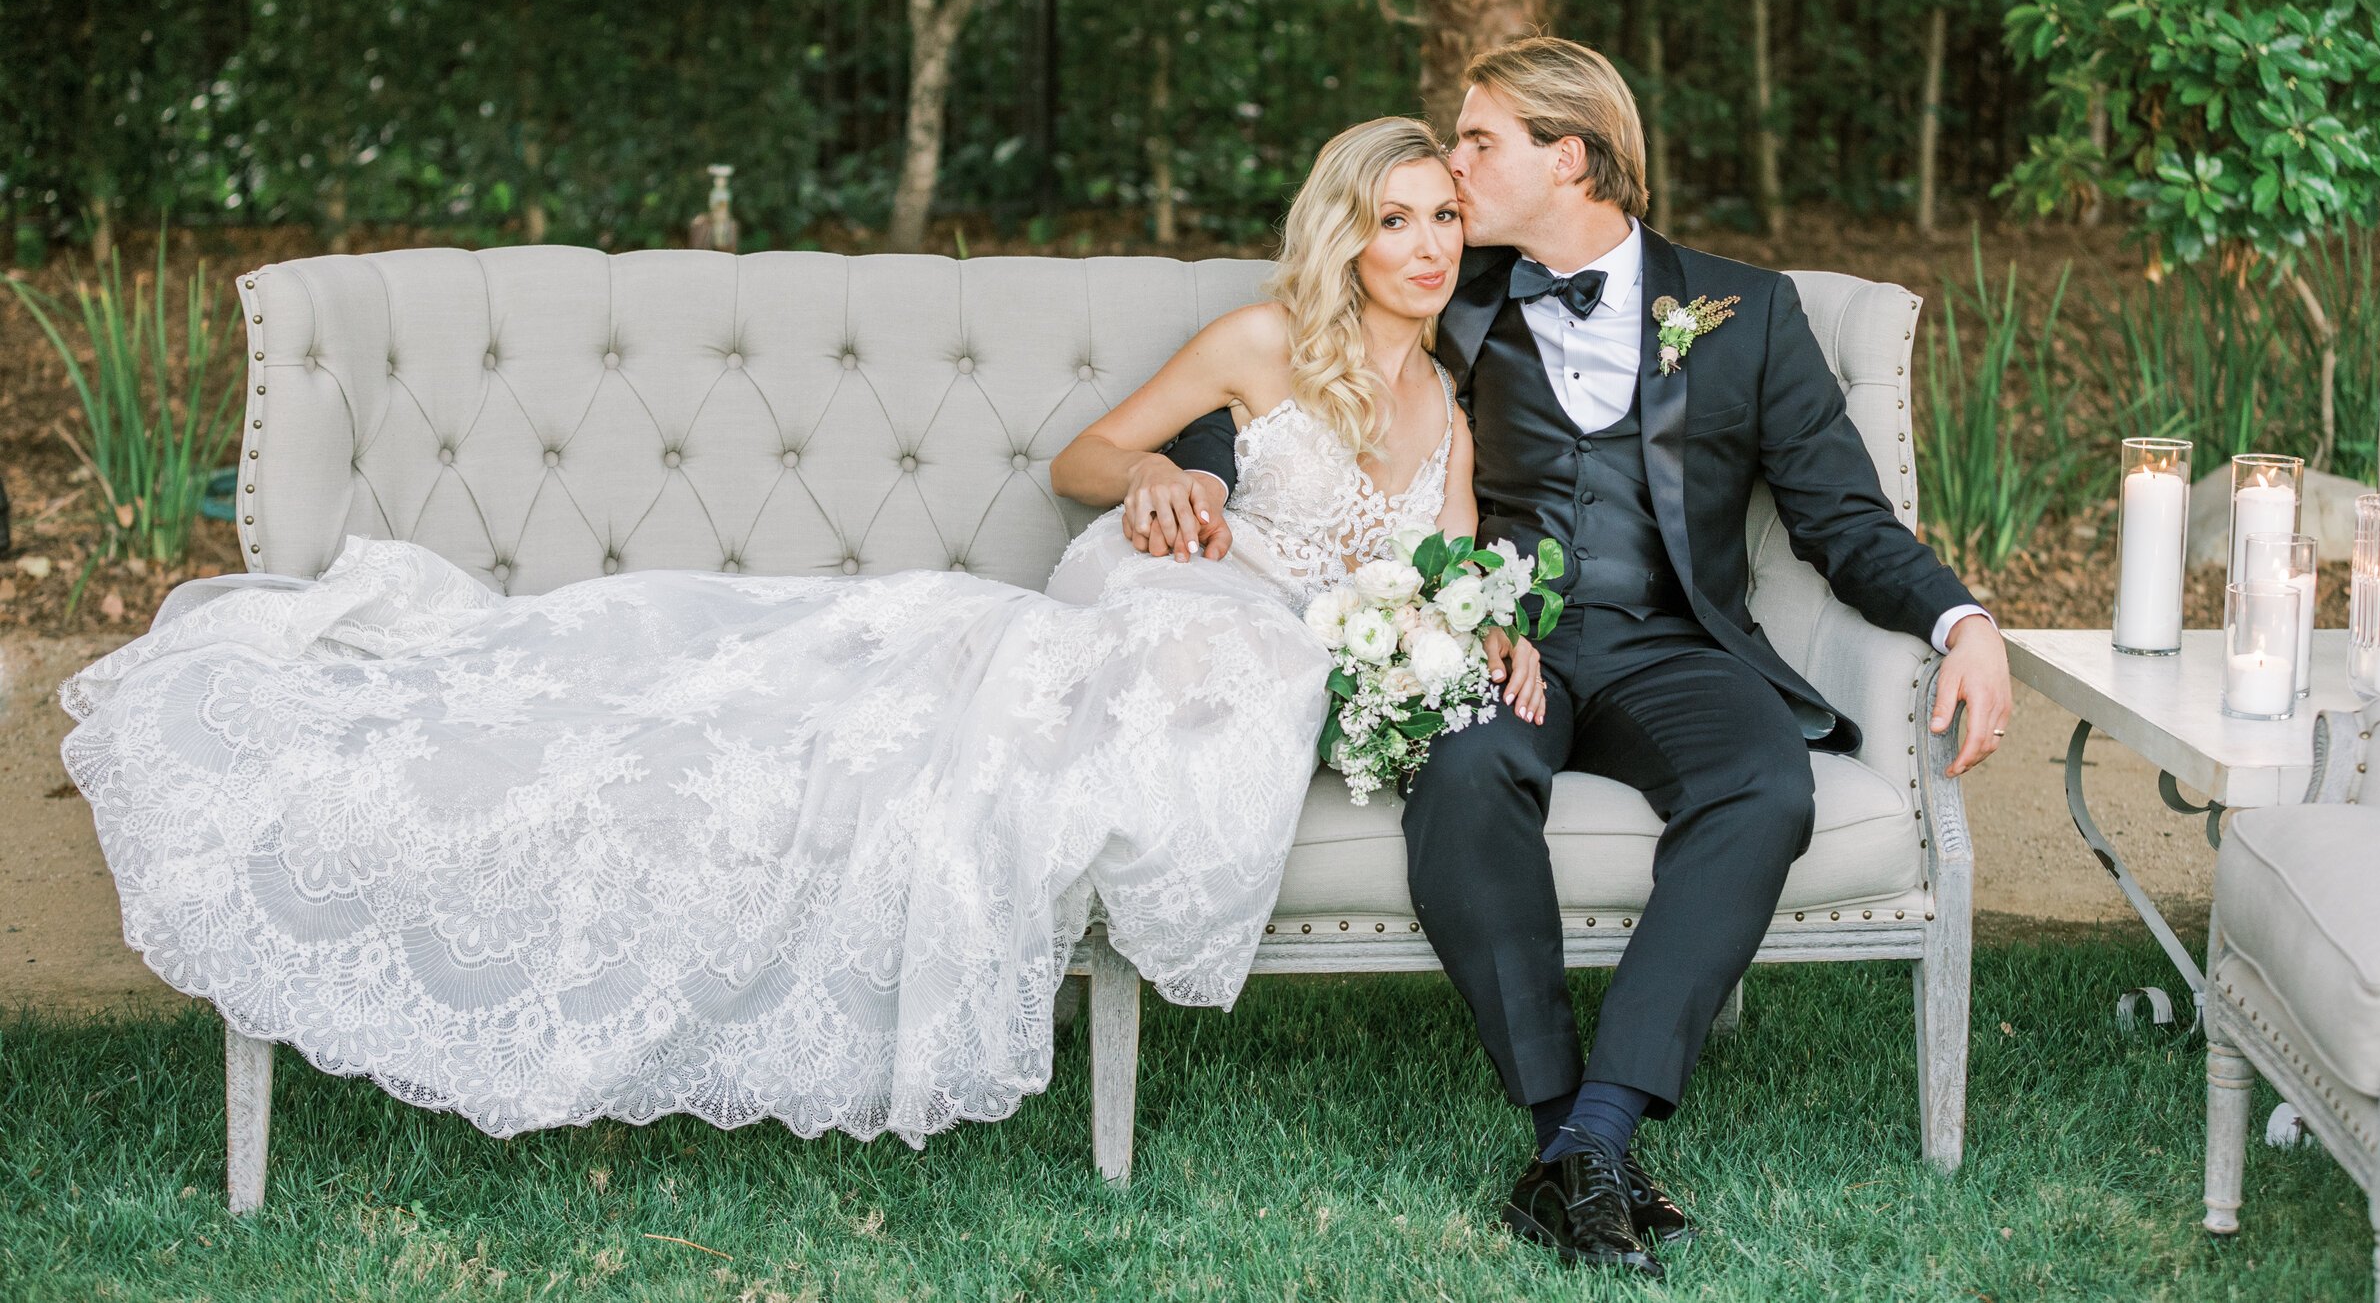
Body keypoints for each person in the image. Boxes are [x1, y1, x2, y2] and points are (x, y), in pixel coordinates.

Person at [57, 117, 1542, 1153]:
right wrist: (1163, 471)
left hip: (1283, 650)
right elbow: (1082, 460)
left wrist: (1486, 636)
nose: (1422, 244)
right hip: (1176, 609)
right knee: (841, 716)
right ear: (1347, 234)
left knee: (1212, 692)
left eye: (1442, 218)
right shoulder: (1262, 342)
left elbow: (1450, 574)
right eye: (1393, 217)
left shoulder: (1450, 411)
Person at [1145, 37, 2015, 1279]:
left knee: (1763, 782)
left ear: (1568, 156)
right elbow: (1292, 377)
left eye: (1477, 142)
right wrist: (1182, 467)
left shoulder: (1744, 308)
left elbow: (1841, 517)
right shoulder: (1447, 282)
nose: (1451, 168)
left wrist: (1960, 618)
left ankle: (1598, 1130)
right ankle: (1567, 1127)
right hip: (1501, 640)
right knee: (1462, 772)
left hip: (1678, 644)